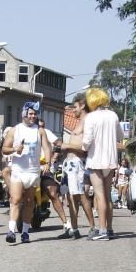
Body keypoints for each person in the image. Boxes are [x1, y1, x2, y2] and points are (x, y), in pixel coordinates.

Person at [1, 102, 51, 243]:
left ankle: (25, 232)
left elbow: (47, 148)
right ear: (24, 114)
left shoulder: (40, 131)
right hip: (18, 170)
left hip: (33, 171)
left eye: (35, 114)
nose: (33, 116)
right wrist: (15, 149)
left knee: (29, 202)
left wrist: (48, 163)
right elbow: (4, 149)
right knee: (16, 199)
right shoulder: (15, 130)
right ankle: (11, 231)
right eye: (30, 114)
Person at [82, 87, 124, 240]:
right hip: (111, 161)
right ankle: (110, 228)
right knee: (107, 196)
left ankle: (102, 231)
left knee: (99, 197)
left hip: (96, 161)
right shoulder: (113, 115)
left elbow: (86, 142)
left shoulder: (91, 117)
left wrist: (83, 148)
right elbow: (120, 135)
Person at [59, 94, 96, 239]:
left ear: (82, 105)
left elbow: (85, 146)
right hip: (68, 163)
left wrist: (65, 145)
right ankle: (74, 229)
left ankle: (93, 228)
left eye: (75, 106)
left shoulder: (87, 121)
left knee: (81, 195)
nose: (73, 110)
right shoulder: (79, 122)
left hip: (77, 162)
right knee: (69, 197)